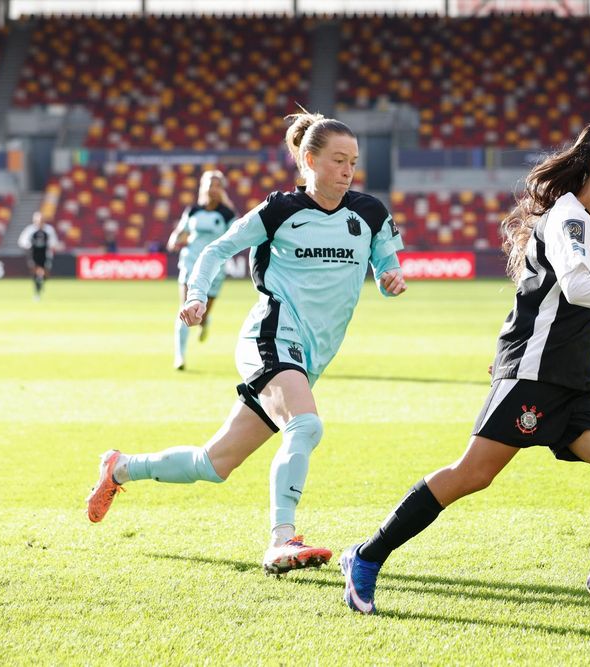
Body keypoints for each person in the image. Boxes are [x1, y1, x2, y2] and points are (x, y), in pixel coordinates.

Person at [339, 123, 590, 615]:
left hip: (569, 383)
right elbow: (575, 288)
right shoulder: (570, 218)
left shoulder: (587, 222)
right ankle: (365, 556)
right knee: (472, 474)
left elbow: (541, 299)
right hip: (534, 374)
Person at [86, 111, 408, 575]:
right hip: (271, 336)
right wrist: (196, 296)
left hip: (310, 355)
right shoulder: (280, 210)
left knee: (212, 464)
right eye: (337, 160)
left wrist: (390, 278)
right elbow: (216, 249)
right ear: (308, 160)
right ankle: (282, 540)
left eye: (353, 161)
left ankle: (119, 467)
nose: (347, 169)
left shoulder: (371, 213)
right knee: (306, 426)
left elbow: (385, 265)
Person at [167, 170, 237, 370]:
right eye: (208, 184)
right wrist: (174, 239)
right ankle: (179, 356)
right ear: (202, 187)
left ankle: (206, 322)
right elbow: (181, 230)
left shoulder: (227, 213)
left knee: (201, 316)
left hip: (215, 268)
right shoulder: (193, 210)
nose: (211, 188)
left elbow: (237, 234)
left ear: (221, 189)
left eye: (216, 184)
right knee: (185, 308)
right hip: (189, 263)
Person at [17, 212, 60, 300]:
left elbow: (54, 242)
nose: (39, 222)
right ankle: (37, 291)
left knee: (45, 273)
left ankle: (41, 282)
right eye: (37, 220)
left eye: (41, 220)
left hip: (45, 254)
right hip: (34, 254)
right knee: (36, 271)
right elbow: (22, 241)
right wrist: (29, 245)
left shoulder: (49, 230)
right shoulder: (30, 230)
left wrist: (52, 246)